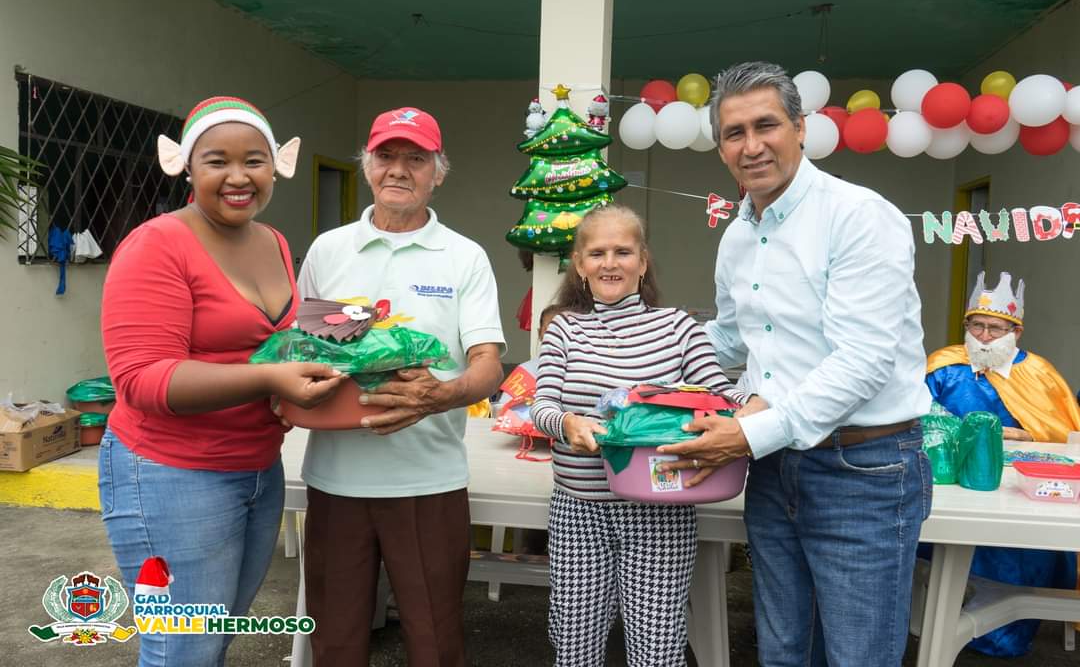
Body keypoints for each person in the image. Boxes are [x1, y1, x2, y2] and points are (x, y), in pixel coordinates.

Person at [657, 61, 933, 667]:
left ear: (800, 128)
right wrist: (642, 362)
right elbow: (732, 340)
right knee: (783, 652)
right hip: (772, 466)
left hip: (862, 470)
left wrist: (750, 434)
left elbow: (863, 360)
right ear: (721, 147)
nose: (751, 146)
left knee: (858, 657)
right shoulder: (738, 235)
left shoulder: (857, 216)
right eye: (734, 133)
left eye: (767, 126)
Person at [99, 96, 347, 666]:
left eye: (254, 160)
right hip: (170, 473)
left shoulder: (273, 241)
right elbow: (142, 378)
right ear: (188, 167)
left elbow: (274, 336)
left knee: (212, 640)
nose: (239, 177)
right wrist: (271, 379)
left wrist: (364, 336)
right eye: (217, 161)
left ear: (275, 167)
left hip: (257, 467)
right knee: (182, 649)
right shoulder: (157, 244)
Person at [296, 106, 505, 666]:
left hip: (427, 480)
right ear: (367, 166)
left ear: (438, 172)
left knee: (434, 641)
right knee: (335, 641)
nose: (398, 169)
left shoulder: (464, 257)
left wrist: (439, 395)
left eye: (416, 158)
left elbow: (488, 365)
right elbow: (304, 348)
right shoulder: (328, 250)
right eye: (386, 155)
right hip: (337, 478)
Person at [530, 203, 746, 667]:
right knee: (575, 640)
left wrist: (757, 407)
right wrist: (568, 424)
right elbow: (541, 407)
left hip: (661, 510)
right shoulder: (563, 329)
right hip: (579, 510)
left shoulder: (679, 328)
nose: (610, 263)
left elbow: (721, 394)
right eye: (597, 253)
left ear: (643, 262)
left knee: (657, 646)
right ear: (580, 264)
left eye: (623, 252)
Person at [925, 270, 1079, 656]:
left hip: (1021, 486)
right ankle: (935, 622)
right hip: (954, 482)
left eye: (995, 328)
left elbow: (1065, 435)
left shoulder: (1040, 374)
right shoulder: (943, 366)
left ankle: (1003, 631)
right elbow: (921, 421)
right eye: (976, 326)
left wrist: (1025, 436)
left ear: (1016, 332)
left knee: (1022, 545)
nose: (984, 336)